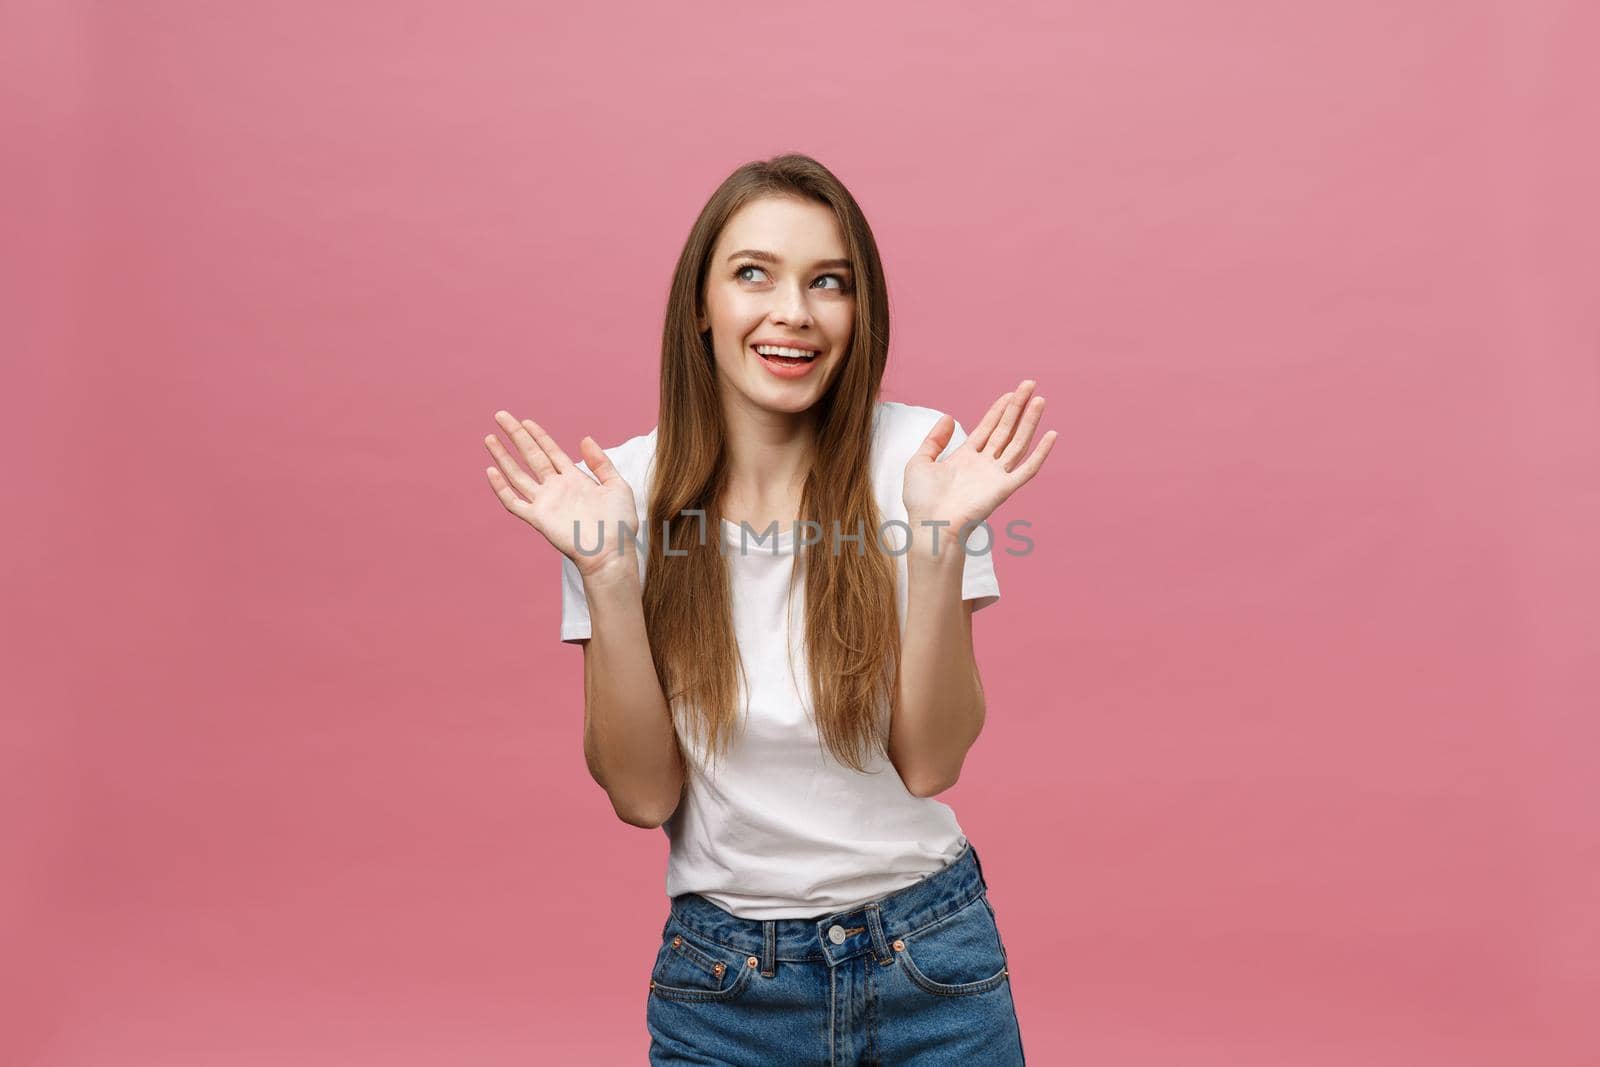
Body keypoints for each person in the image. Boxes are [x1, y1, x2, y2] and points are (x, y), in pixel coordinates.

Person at [483, 153, 1054, 1065]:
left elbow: (933, 760)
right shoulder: (619, 491)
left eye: (829, 282)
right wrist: (606, 574)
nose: (794, 312)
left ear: (858, 312)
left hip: (931, 960)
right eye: (755, 273)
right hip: (726, 985)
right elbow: (641, 795)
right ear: (700, 304)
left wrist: (938, 543)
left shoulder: (923, 458)